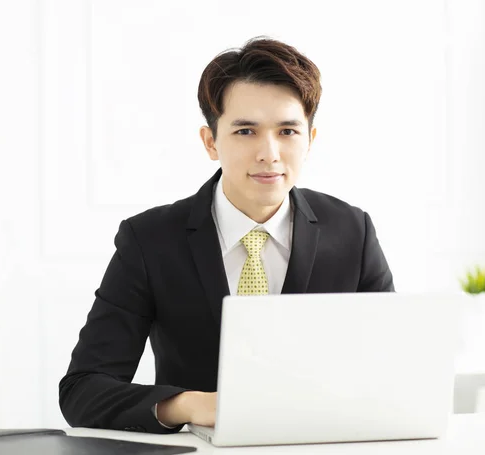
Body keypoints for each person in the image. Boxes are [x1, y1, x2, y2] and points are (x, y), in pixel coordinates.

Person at [59, 36, 394, 435]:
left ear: (310, 140)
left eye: (287, 131)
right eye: (246, 132)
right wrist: (191, 405)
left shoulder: (353, 232)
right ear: (210, 141)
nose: (269, 153)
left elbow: (391, 370)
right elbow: (82, 391)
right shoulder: (150, 240)